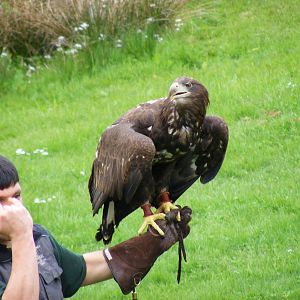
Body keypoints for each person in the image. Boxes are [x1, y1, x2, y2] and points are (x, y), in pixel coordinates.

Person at [0, 155, 192, 299]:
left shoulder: (38, 239)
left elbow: (81, 270)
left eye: (16, 197)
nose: (16, 210)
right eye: (1, 202)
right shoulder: (25, 236)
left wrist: (149, 244)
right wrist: (21, 236)